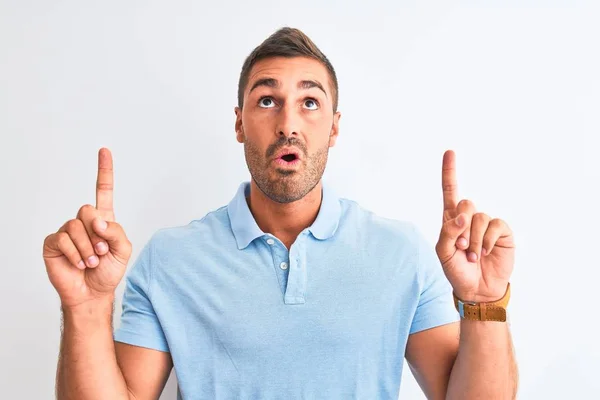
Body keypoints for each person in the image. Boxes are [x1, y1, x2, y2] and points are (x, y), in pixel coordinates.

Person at [43, 27, 518, 400]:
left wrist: (483, 302)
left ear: (334, 129)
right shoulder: (169, 258)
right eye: (267, 100)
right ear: (239, 122)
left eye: (309, 103)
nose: (288, 124)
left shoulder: (401, 252)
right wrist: (85, 309)